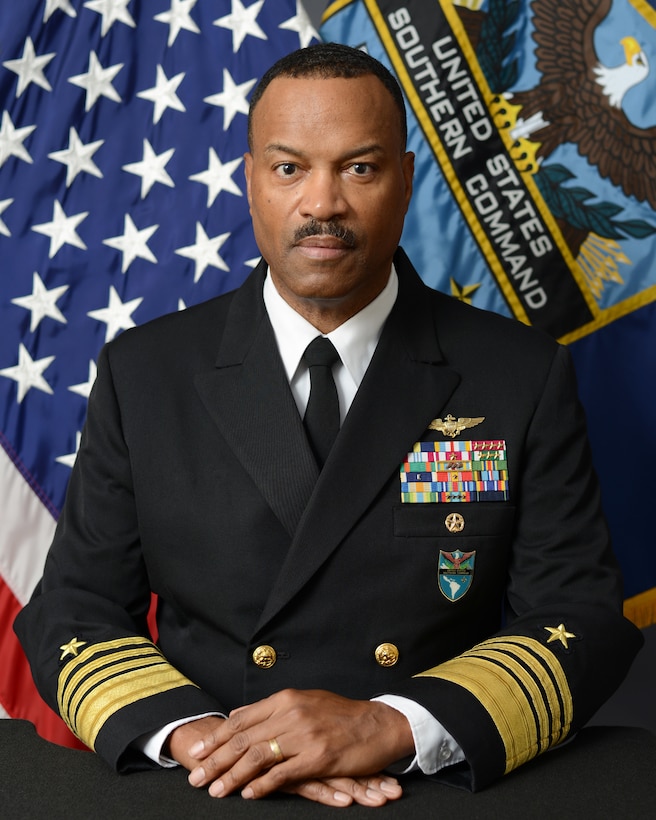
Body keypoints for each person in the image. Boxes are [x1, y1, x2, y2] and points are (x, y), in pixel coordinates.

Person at [15, 43, 643, 808]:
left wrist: (389, 725)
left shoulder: (517, 373)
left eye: (360, 168)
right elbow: (73, 610)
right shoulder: (145, 373)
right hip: (209, 785)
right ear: (250, 183)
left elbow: (577, 617)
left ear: (405, 183)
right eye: (289, 169)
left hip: (422, 783)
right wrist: (218, 745)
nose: (322, 204)